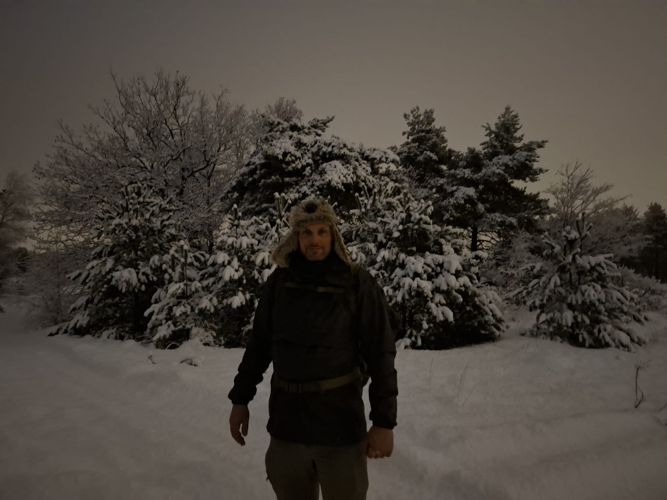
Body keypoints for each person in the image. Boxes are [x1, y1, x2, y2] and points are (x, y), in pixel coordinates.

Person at [228, 197, 398, 500]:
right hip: (287, 426)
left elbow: (381, 353)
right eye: (306, 233)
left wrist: (384, 422)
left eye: (322, 231)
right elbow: (259, 344)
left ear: (333, 235)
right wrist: (240, 400)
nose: (314, 240)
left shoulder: (357, 283)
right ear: (296, 237)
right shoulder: (279, 283)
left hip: (340, 428)